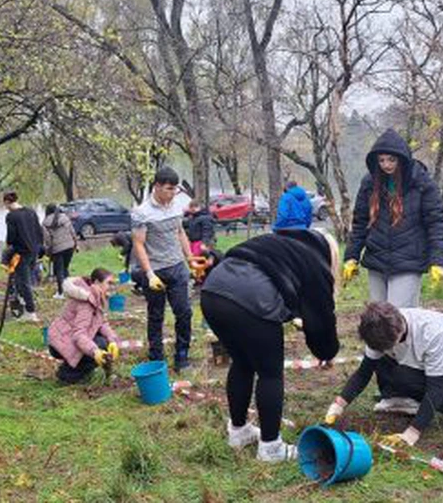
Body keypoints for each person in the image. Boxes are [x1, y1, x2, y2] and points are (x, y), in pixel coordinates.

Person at [200, 229, 341, 462]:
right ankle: (270, 447)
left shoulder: (279, 241)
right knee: (270, 373)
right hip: (252, 298)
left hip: (213, 291)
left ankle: (238, 431)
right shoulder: (316, 262)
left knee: (242, 363)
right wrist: (328, 351)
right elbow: (322, 321)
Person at [324, 302, 443, 446]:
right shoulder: (377, 326)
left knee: (411, 379)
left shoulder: (432, 334)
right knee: (385, 361)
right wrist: (338, 405)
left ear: (398, 334)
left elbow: (436, 388)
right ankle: (403, 399)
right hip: (442, 363)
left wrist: (412, 433)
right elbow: (364, 371)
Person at [344, 129, 443, 307]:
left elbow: (437, 223)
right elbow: (360, 222)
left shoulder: (422, 183)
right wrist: (351, 256)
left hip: (408, 259)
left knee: (400, 317)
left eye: (391, 159)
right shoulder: (370, 183)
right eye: (381, 160)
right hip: (377, 259)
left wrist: (438, 260)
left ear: (402, 159)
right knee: (379, 318)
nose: (386, 165)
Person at [130, 167, 197, 372]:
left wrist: (190, 258)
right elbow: (138, 244)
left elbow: (180, 232)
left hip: (177, 267)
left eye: (175, 189)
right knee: (156, 315)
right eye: (169, 189)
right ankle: (156, 358)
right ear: (157, 187)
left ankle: (182, 356)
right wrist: (149, 274)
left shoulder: (176, 205)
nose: (172, 193)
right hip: (155, 270)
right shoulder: (142, 212)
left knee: (184, 312)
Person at [47, 268, 121, 384]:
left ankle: (76, 368)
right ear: (97, 282)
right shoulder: (86, 303)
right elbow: (78, 335)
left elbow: (101, 323)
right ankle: (66, 376)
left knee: (104, 342)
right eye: (109, 283)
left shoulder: (96, 297)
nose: (111, 287)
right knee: (100, 345)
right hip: (61, 342)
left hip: (68, 338)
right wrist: (95, 351)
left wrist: (112, 340)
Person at [3, 191, 44, 322]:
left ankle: (31, 312)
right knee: (25, 280)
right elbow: (39, 231)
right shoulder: (31, 212)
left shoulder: (11, 216)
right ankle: (23, 303)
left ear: (7, 202)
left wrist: (9, 247)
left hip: (21, 253)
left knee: (24, 282)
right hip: (34, 250)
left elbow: (11, 237)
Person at [42, 204, 77, 299]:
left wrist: (48, 252)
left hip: (57, 250)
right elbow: (72, 232)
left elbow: (47, 240)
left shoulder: (45, 222)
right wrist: (75, 244)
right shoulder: (65, 217)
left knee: (59, 271)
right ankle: (70, 289)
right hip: (69, 246)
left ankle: (61, 293)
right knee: (65, 268)